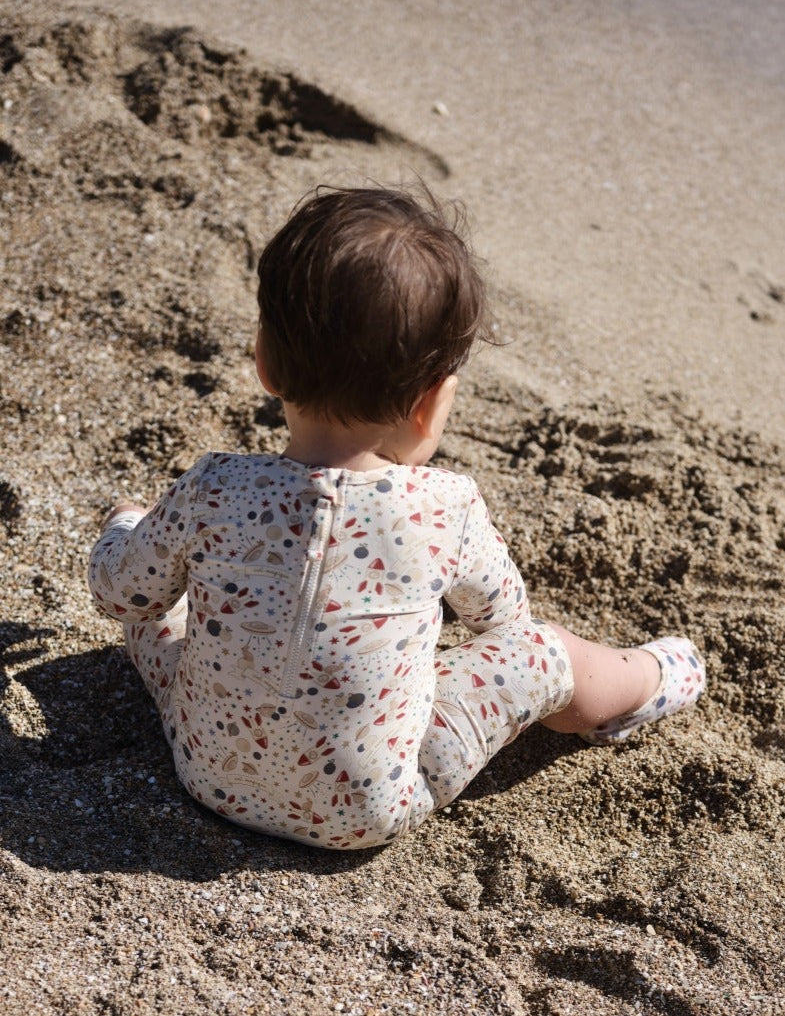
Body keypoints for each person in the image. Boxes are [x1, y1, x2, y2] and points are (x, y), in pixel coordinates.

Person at [88, 186, 705, 849]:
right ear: (430, 405)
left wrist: (126, 525)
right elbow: (503, 623)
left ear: (264, 362)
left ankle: (141, 538)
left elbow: (118, 594)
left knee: (155, 604)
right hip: (369, 806)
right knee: (540, 652)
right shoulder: (445, 508)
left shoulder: (215, 486)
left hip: (207, 770)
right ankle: (646, 681)